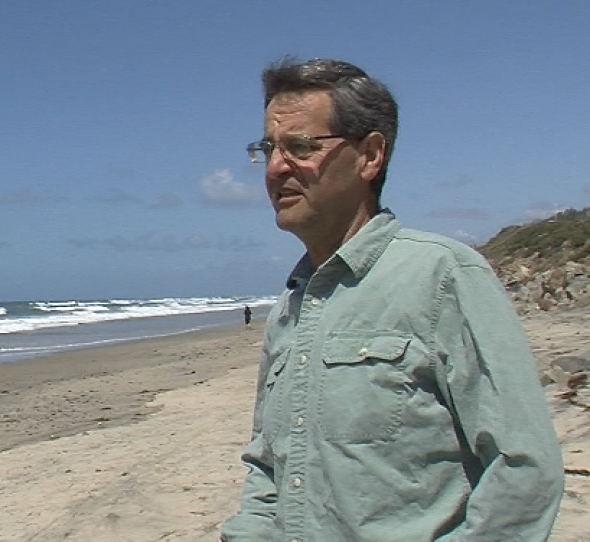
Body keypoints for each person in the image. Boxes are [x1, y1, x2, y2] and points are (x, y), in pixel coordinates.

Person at [220, 57, 564, 541]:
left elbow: (523, 468)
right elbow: (267, 468)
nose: (277, 168)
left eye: (300, 146)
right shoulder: (291, 308)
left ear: (370, 156)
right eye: (268, 148)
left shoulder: (442, 275)